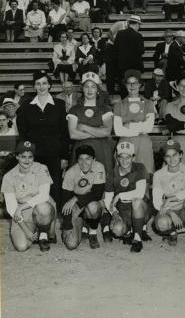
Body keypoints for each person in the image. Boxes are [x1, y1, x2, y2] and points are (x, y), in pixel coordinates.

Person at [16, 71, 70, 210]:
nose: (41, 86)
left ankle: (53, 219)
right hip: (34, 155)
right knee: (34, 186)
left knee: (54, 186)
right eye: (38, 84)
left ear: (50, 85)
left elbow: (64, 133)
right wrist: (25, 155)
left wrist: (64, 156)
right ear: (34, 86)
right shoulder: (26, 105)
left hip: (54, 154)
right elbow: (23, 134)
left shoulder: (59, 104)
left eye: (44, 83)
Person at [1, 141, 57, 252]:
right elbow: (12, 208)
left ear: (33, 157)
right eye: (23, 157)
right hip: (22, 213)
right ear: (17, 156)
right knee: (22, 246)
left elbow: (44, 195)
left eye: (30, 157)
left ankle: (44, 233)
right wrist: (26, 231)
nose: (27, 160)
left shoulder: (41, 168)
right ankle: (35, 228)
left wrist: (20, 207)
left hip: (41, 207)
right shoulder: (8, 176)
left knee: (43, 208)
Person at [152, 139, 185, 255]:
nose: (172, 159)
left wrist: (170, 198)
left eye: (175, 155)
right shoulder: (158, 175)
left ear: (181, 155)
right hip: (169, 210)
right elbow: (157, 202)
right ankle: (172, 233)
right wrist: (171, 213)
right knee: (161, 224)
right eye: (168, 156)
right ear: (164, 158)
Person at [105, 141, 149, 253]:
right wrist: (114, 213)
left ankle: (137, 239)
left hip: (141, 209)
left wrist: (120, 195)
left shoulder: (140, 167)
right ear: (117, 157)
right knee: (117, 230)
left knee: (136, 201)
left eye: (128, 157)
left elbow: (140, 193)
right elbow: (108, 199)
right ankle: (128, 232)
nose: (124, 160)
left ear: (133, 157)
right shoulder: (112, 173)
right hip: (123, 209)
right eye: (121, 157)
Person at [60, 145, 106, 250]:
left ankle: (93, 232)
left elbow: (97, 193)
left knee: (94, 206)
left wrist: (76, 198)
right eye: (80, 159)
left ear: (94, 159)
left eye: (88, 159)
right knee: (71, 244)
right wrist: (67, 225)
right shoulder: (70, 173)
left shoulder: (99, 167)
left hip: (89, 203)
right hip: (77, 209)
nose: (84, 162)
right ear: (77, 160)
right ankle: (82, 224)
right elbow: (66, 201)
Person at [113, 70, 155, 176]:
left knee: (145, 175)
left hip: (143, 143)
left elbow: (149, 127)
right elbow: (118, 130)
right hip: (125, 144)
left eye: (135, 82)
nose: (132, 85)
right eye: (129, 83)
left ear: (140, 84)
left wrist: (129, 125)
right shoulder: (119, 105)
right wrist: (141, 126)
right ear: (125, 85)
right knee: (124, 176)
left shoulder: (148, 103)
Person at [113, 15, 145, 85]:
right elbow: (142, 51)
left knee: (123, 86)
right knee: (134, 86)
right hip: (135, 67)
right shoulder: (138, 35)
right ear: (137, 24)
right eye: (139, 25)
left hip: (122, 66)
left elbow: (115, 49)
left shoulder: (120, 33)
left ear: (129, 23)